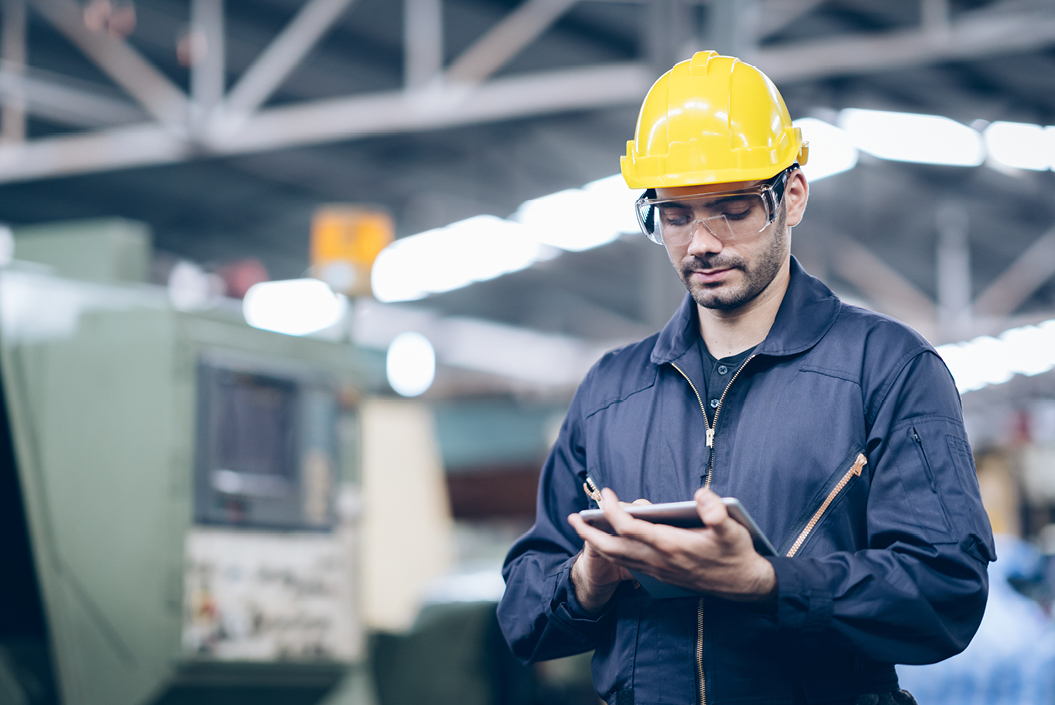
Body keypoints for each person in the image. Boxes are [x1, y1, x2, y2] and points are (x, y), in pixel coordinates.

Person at [496, 51, 994, 705]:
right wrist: (591, 575)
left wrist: (767, 581)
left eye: (731, 209)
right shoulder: (609, 394)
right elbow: (522, 614)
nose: (701, 242)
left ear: (791, 195)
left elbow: (944, 591)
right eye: (675, 215)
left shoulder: (887, 369)